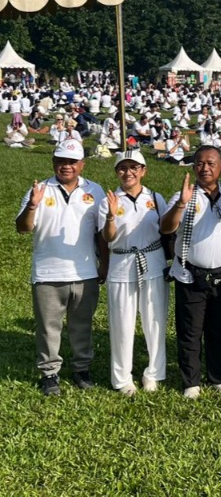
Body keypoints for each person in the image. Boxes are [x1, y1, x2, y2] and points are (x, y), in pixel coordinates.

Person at [15, 139, 107, 396]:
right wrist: (33, 205)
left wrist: (105, 265)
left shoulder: (95, 190)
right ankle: (49, 373)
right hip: (47, 273)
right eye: (61, 161)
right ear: (54, 162)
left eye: (72, 161)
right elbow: (23, 228)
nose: (66, 166)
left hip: (85, 272)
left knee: (82, 325)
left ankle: (81, 369)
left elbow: (101, 233)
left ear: (82, 165)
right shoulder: (40, 189)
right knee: (48, 327)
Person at [160, 145, 221, 399]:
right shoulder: (184, 195)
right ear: (193, 167)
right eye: (199, 164)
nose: (205, 168)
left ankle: (217, 376)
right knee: (190, 330)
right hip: (191, 274)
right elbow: (166, 228)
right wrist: (181, 205)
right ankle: (191, 381)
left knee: (219, 328)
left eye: (211, 163)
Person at [99, 151, 168, 395]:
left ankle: (154, 373)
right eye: (122, 168)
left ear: (143, 171)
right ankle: (122, 378)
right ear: (117, 172)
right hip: (121, 263)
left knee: (155, 320)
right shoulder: (109, 200)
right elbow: (107, 237)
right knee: (121, 324)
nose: (128, 172)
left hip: (153, 262)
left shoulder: (156, 198)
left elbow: (167, 229)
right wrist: (110, 216)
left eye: (134, 167)